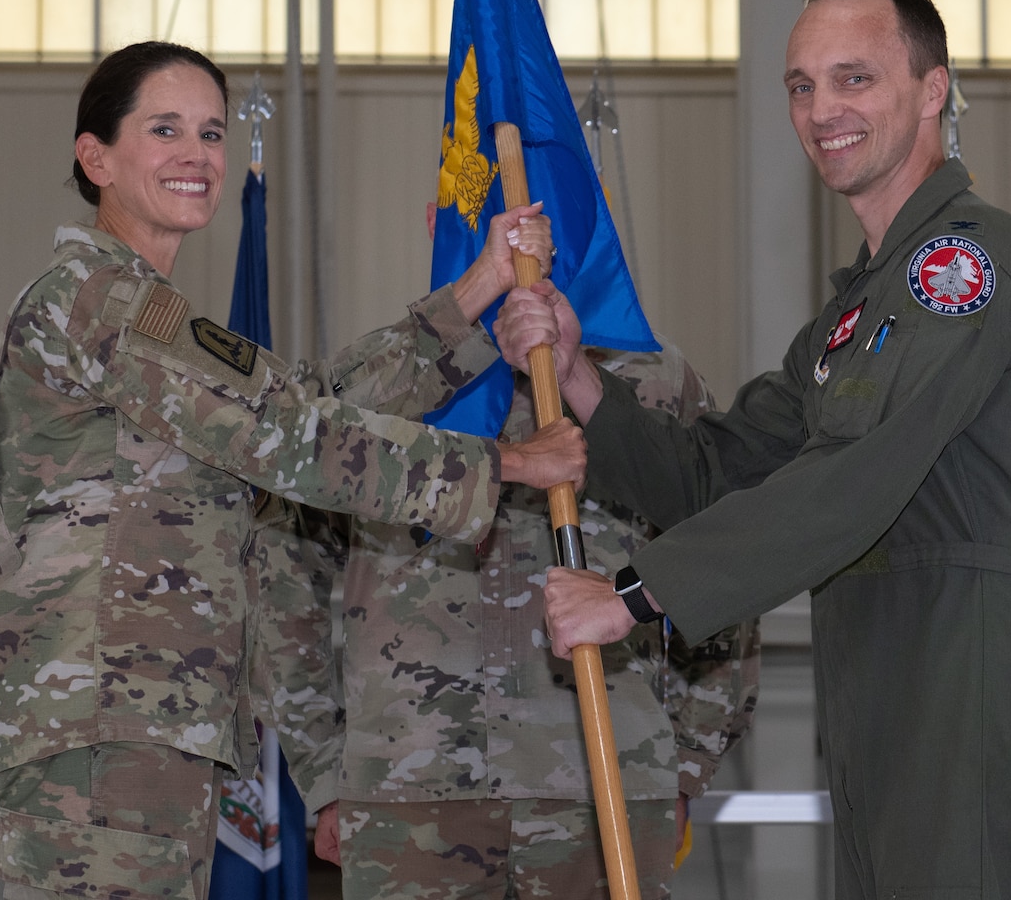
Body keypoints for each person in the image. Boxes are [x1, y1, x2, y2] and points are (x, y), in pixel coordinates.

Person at [496, 0, 1011, 899]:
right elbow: (719, 473)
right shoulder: (860, 310)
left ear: (932, 89)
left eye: (854, 79)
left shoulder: (964, 267)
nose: (823, 110)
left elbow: (855, 476)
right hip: (892, 698)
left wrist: (633, 594)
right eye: (801, 85)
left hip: (974, 690)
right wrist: (580, 376)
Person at [0, 41, 585, 900]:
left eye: (212, 133)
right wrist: (505, 464)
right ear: (96, 156)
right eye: (164, 129)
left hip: (141, 718)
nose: (197, 154)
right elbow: (288, 435)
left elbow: (307, 401)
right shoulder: (97, 299)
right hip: (104, 720)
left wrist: (479, 287)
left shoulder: (149, 313)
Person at [248, 341, 760, 900]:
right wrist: (323, 766)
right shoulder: (381, 380)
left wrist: (687, 758)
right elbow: (284, 573)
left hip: (606, 781)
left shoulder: (655, 383)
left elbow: (721, 551)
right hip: (408, 789)